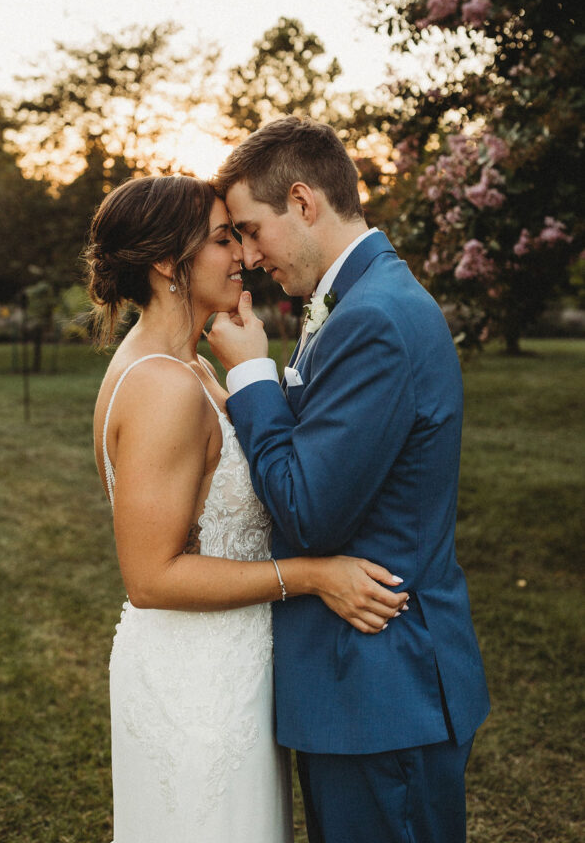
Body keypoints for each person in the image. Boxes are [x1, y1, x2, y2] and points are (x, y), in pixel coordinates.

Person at [86, 173, 408, 843]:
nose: (242, 255)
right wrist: (314, 575)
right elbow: (150, 578)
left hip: (229, 665)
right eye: (221, 239)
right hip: (194, 683)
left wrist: (250, 369)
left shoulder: (194, 368)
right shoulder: (162, 387)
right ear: (166, 263)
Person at [208, 116, 491, 843]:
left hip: (379, 686)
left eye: (248, 229)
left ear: (302, 202)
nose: (244, 255)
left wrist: (248, 376)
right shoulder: (356, 301)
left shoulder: (373, 319)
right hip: (358, 690)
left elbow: (307, 511)